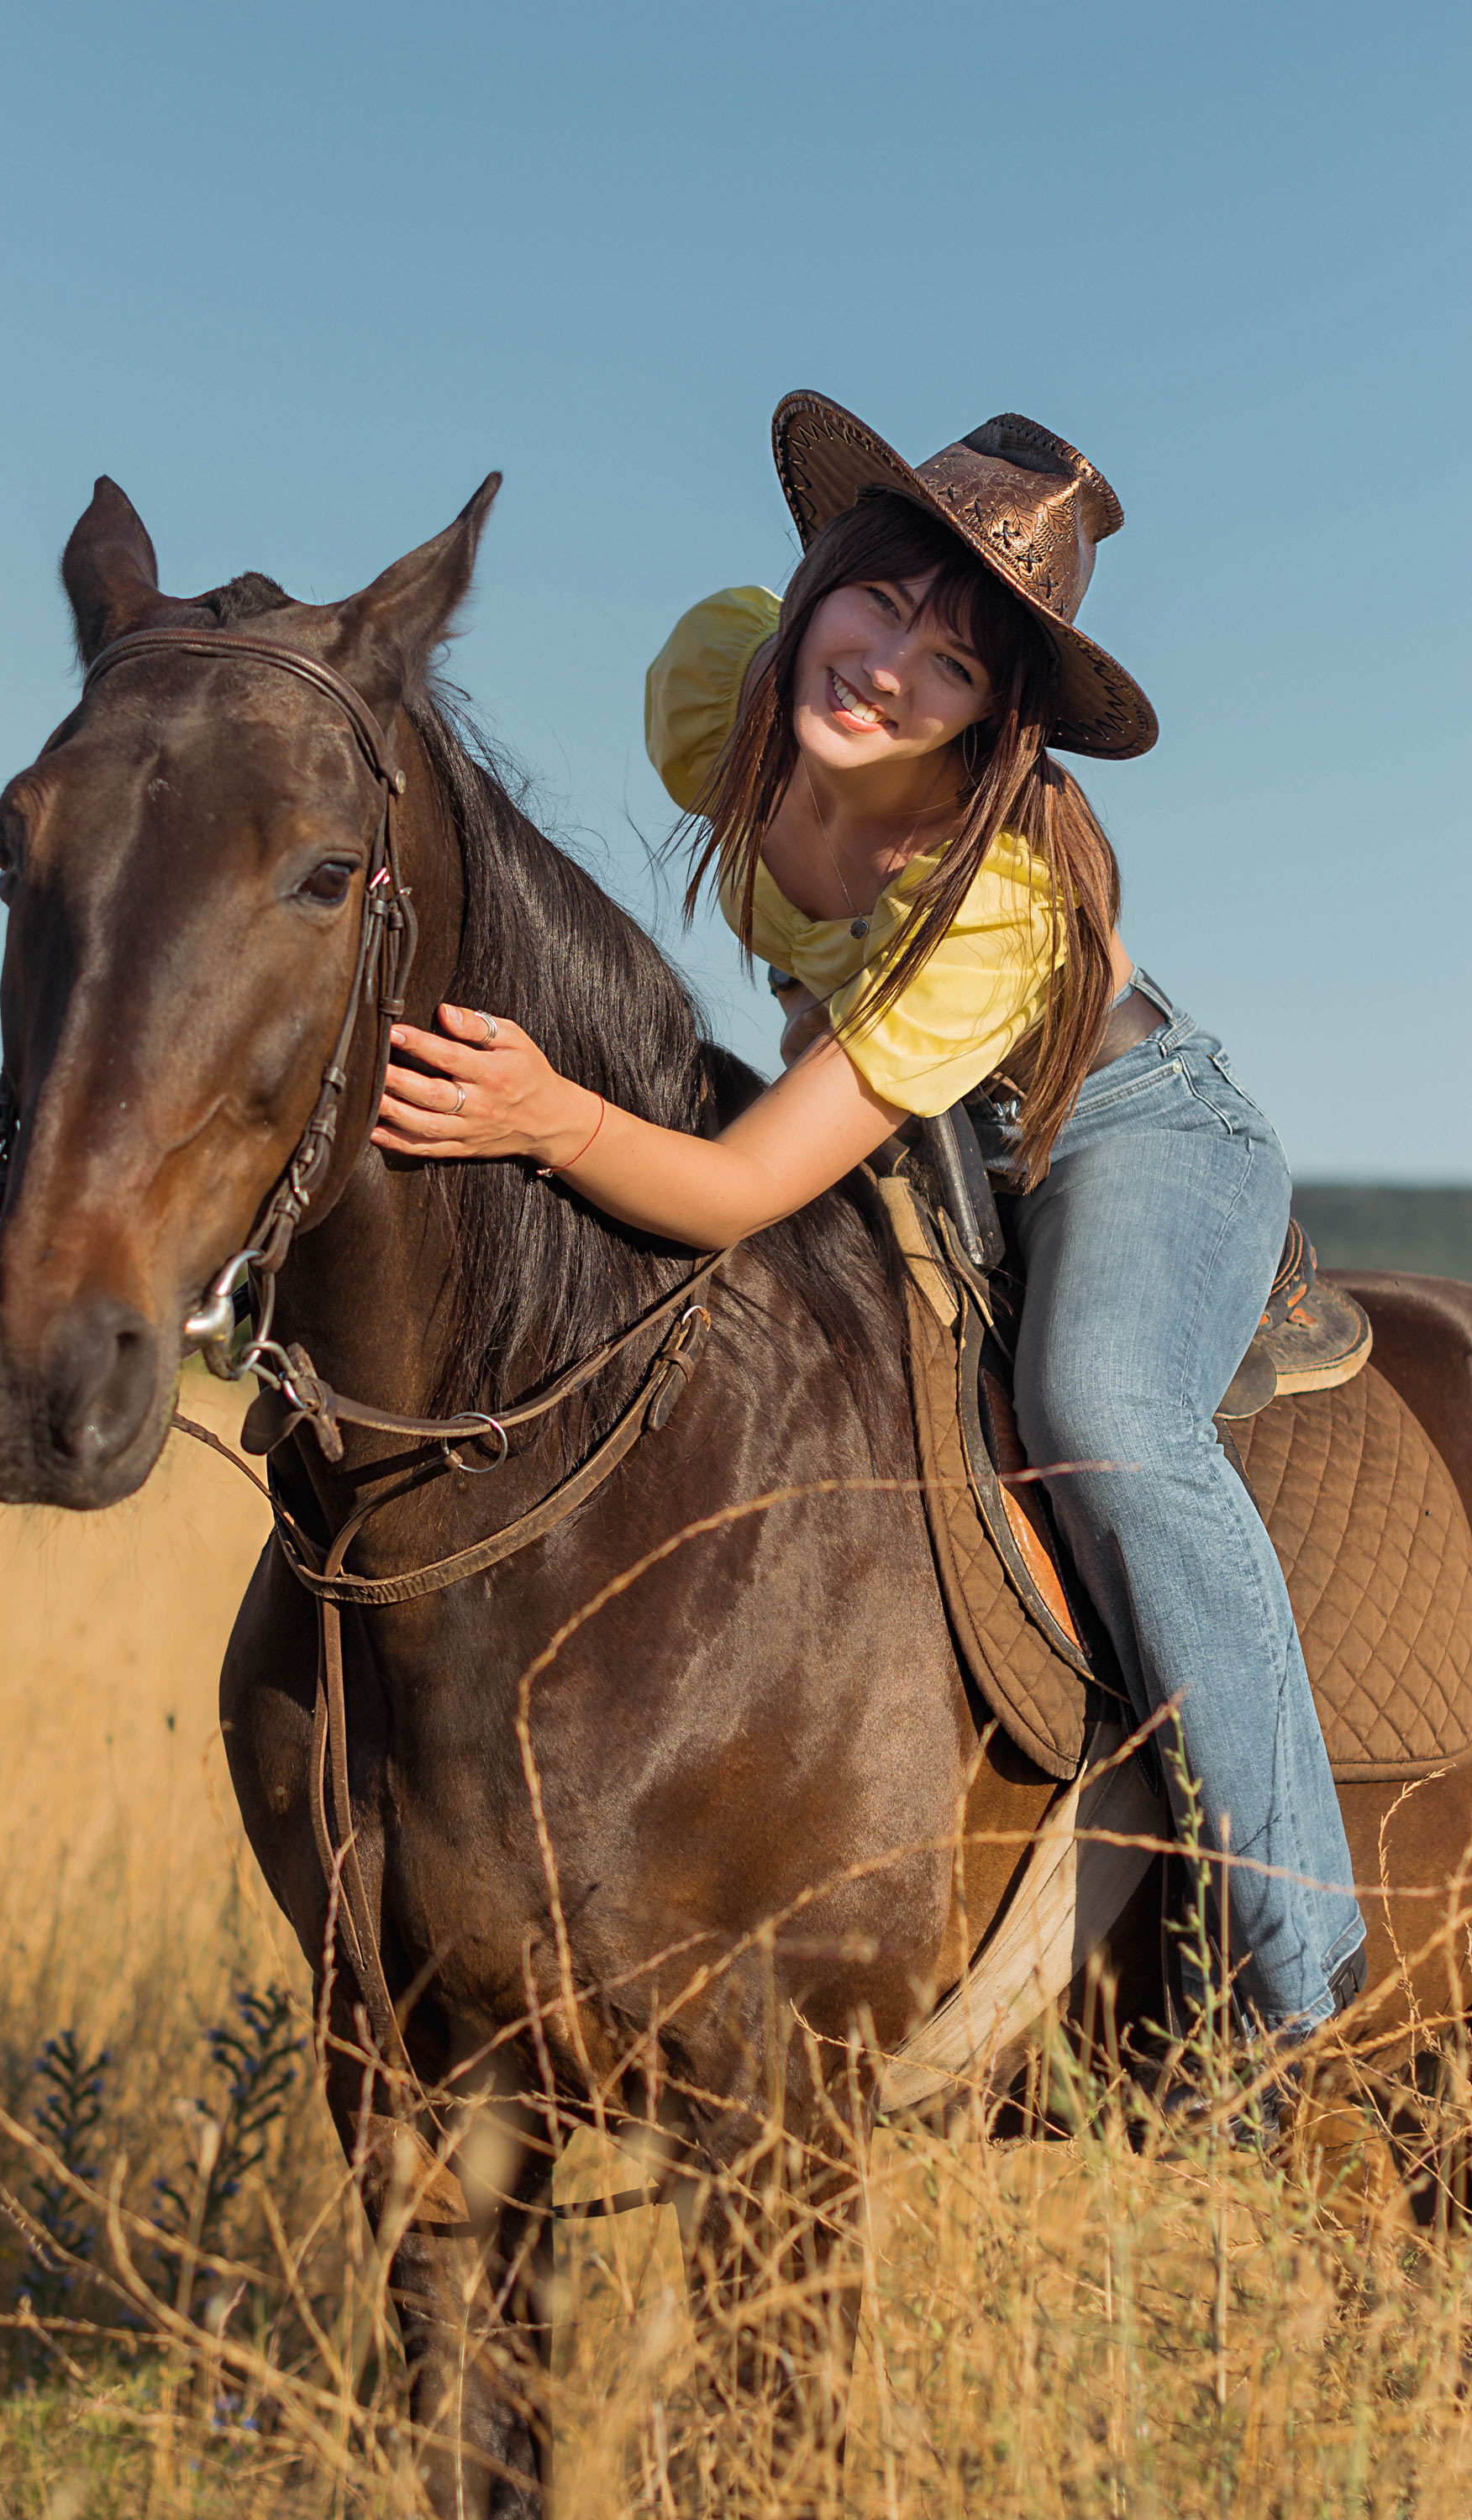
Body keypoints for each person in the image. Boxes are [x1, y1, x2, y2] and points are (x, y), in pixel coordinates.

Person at [374, 391, 1367, 2046]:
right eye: (880, 603)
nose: (889, 666)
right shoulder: (721, 684)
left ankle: (1287, 1953)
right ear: (820, 575)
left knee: (1101, 1418)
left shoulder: (996, 897)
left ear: (993, 724)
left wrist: (548, 1113)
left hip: (1118, 1124)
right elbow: (810, 1014)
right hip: (911, 1103)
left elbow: (748, 1184)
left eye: (956, 663)